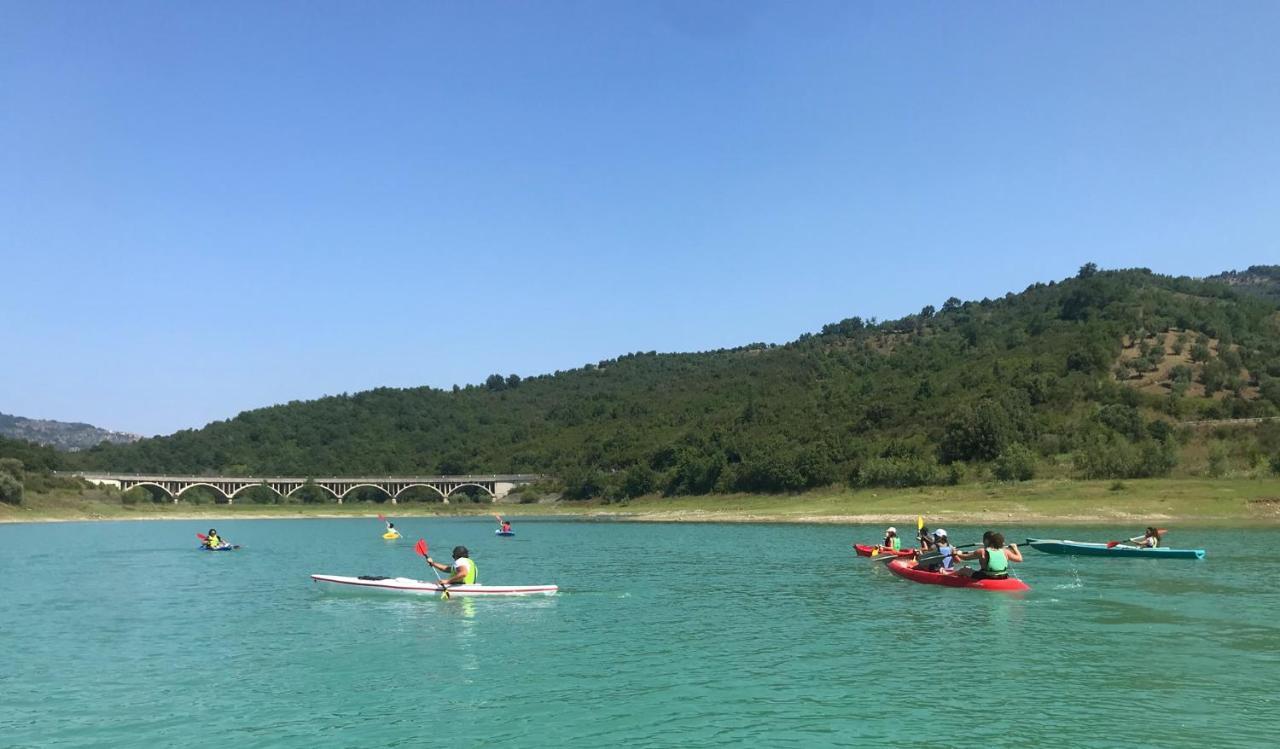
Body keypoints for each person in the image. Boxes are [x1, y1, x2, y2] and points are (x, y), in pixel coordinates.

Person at [955, 532, 1023, 580]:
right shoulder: (1005, 551)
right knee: (977, 570)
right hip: (1003, 576)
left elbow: (965, 558)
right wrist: (1015, 548)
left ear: (988, 541)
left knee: (963, 570)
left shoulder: (982, 551)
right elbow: (1019, 559)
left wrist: (958, 553)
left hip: (987, 576)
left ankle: (951, 577)